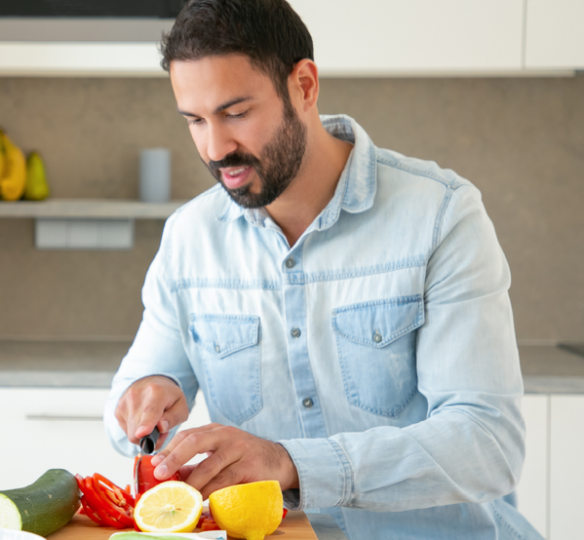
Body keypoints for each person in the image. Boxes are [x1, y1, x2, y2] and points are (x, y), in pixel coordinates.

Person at [102, 1, 544, 538]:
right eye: (196, 120)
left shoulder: (440, 216)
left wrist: (290, 462)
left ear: (304, 86)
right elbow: (132, 400)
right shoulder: (190, 238)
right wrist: (146, 396)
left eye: (236, 113)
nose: (215, 148)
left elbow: (487, 445)